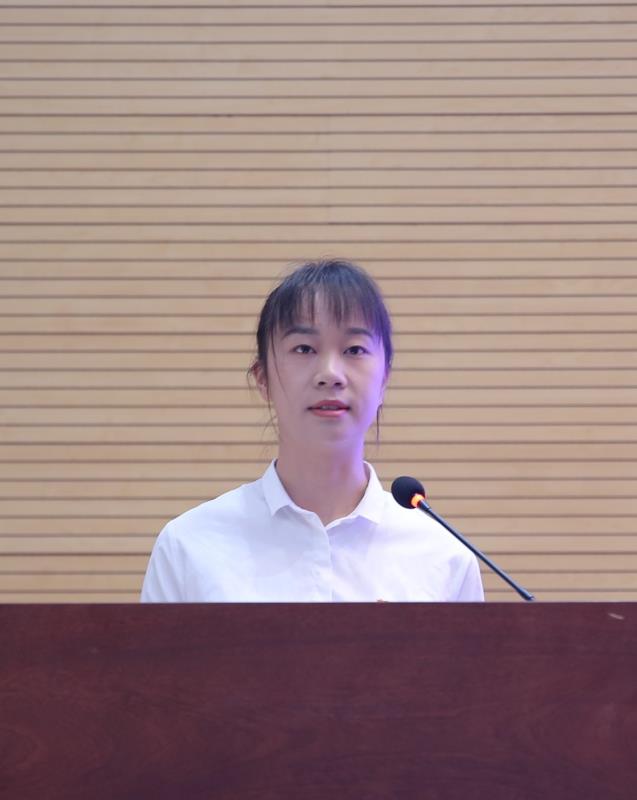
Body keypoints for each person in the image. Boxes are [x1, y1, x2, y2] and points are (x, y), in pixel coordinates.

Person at [141, 259, 484, 602]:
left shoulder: (444, 558)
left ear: (384, 380)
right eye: (304, 349)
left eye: (354, 350)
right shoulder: (189, 547)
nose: (330, 374)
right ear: (263, 378)